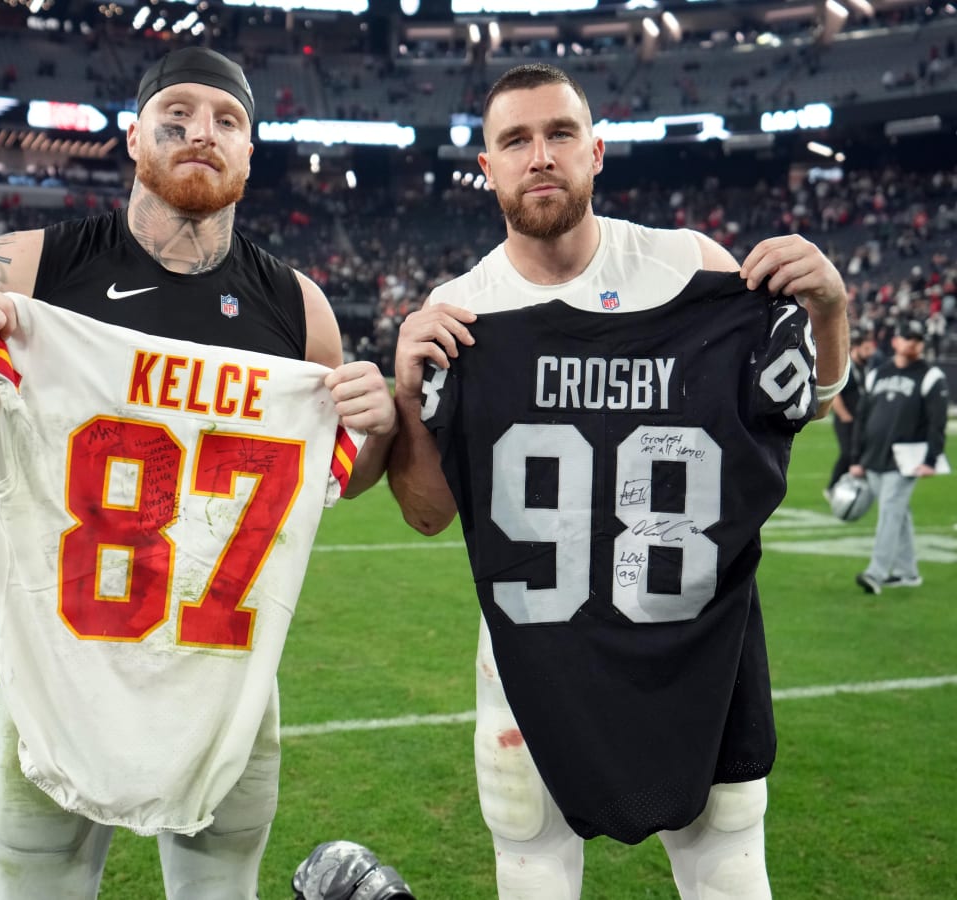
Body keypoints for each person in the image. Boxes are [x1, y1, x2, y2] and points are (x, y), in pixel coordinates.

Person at [0, 47, 396, 900]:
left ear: (250, 152)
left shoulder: (297, 307)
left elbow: (341, 477)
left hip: (221, 685)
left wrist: (373, 429)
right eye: (179, 113)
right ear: (133, 138)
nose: (202, 131)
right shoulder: (33, 271)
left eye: (227, 119)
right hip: (60, 675)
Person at [387, 63, 849, 899]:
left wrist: (832, 315)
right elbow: (426, 515)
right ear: (486, 168)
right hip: (535, 660)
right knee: (530, 863)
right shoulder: (459, 314)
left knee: (732, 872)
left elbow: (802, 405)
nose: (540, 156)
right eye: (515, 140)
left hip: (697, 653)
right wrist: (410, 399)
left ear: (596, 152)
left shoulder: (693, 272)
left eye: (560, 134)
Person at [851, 318, 949, 595]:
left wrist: (931, 460)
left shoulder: (931, 377)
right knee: (899, 514)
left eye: (918, 339)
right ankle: (908, 573)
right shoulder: (877, 374)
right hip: (874, 455)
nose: (913, 343)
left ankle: (876, 573)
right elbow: (863, 417)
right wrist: (856, 457)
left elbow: (936, 423)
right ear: (895, 341)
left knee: (890, 511)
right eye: (908, 338)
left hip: (906, 460)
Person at [825, 327, 878, 498]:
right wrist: (844, 415)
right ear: (857, 347)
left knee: (860, 454)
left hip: (862, 419)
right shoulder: (846, 366)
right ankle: (832, 488)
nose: (870, 353)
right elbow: (836, 392)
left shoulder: (868, 366)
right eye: (867, 349)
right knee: (847, 453)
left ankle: (851, 489)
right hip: (847, 419)